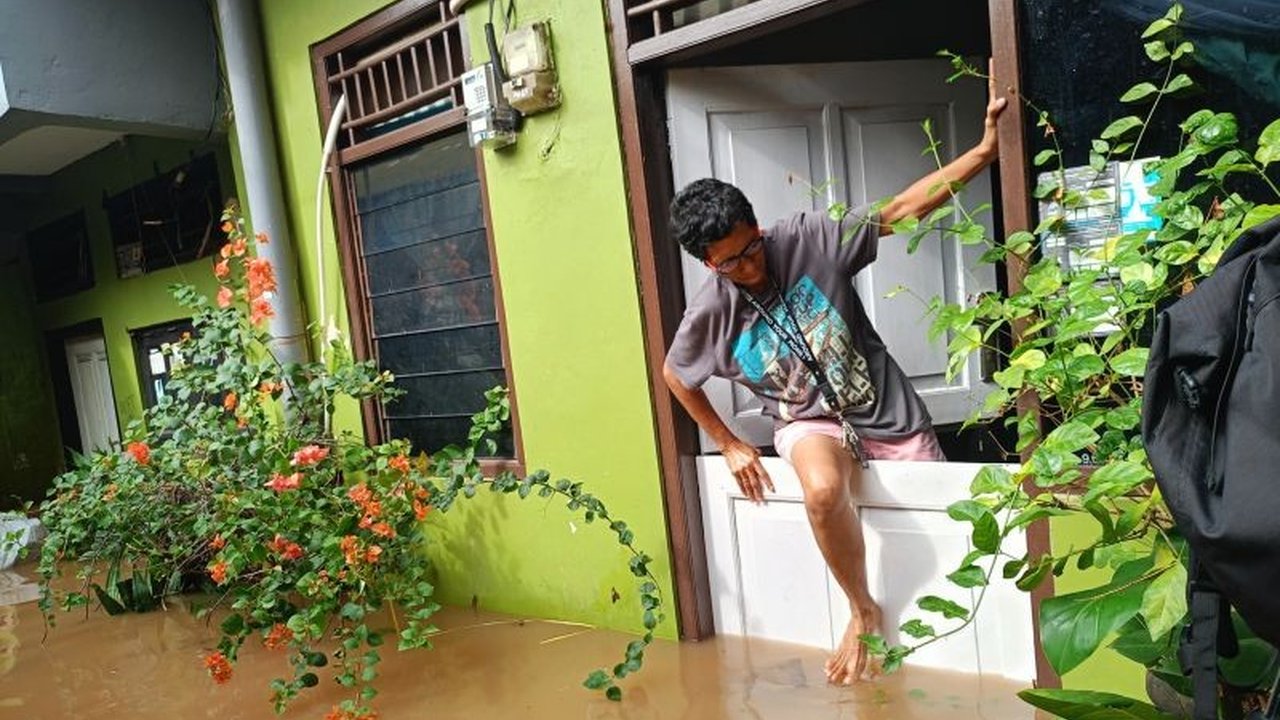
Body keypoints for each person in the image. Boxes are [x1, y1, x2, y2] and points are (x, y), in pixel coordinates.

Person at [662, 70, 1007, 686]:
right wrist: (731, 441)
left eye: (751, 249)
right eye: (728, 262)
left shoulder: (810, 238)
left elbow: (901, 209)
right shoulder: (711, 311)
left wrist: (982, 153)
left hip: (886, 411)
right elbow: (676, 376)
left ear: (758, 228)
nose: (747, 267)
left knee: (941, 533)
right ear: (707, 263)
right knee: (823, 492)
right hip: (808, 421)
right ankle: (861, 610)